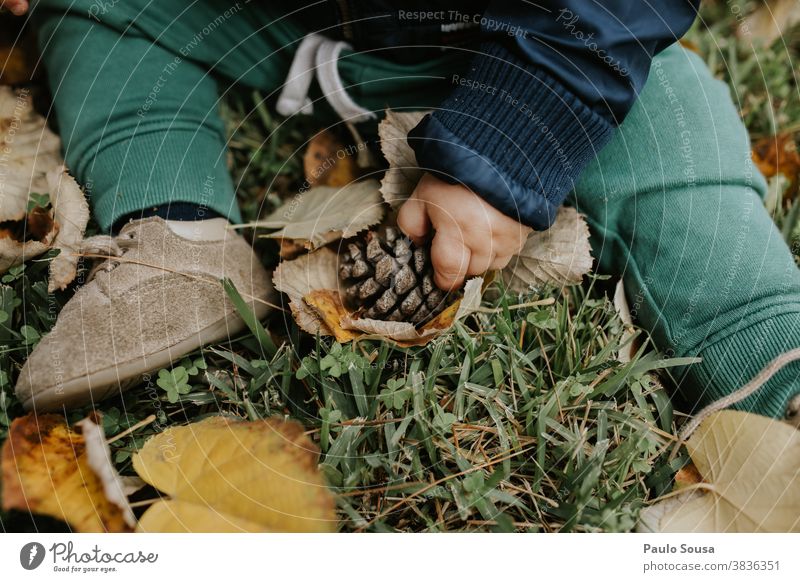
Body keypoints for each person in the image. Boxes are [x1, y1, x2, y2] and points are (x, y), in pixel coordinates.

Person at [4, 1, 799, 422]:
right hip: (279, 23)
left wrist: (517, 134)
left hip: (541, 48)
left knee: (671, 127)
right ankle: (178, 239)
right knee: (93, 5)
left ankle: (761, 341)